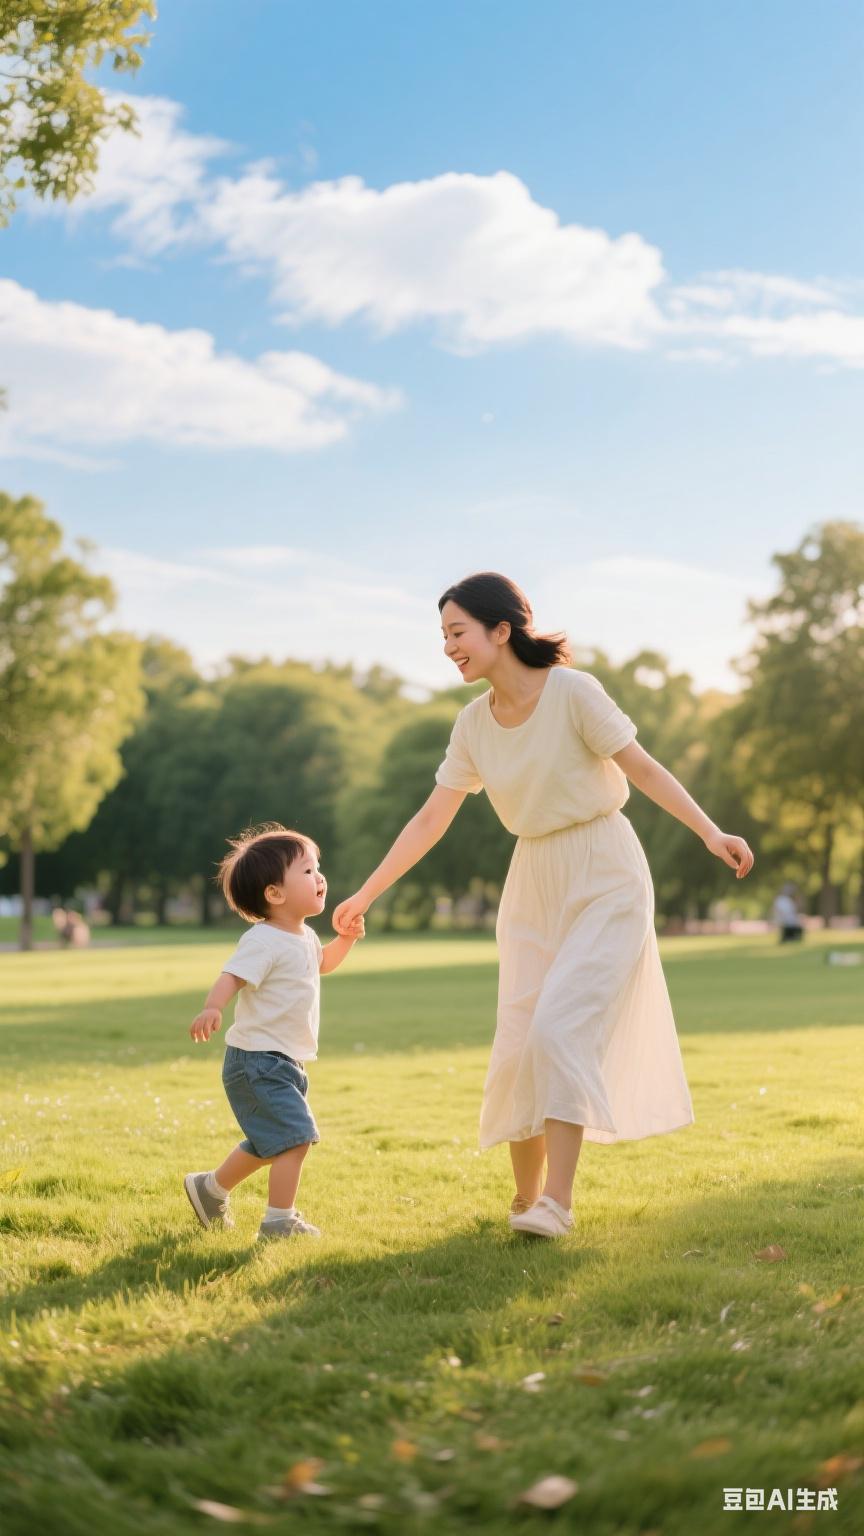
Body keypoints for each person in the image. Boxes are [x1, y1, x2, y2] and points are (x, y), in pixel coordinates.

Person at [333, 573, 754, 1240]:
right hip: (531, 880)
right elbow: (430, 819)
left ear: (502, 630)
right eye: (442, 635)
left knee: (562, 1027)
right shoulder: (473, 725)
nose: (448, 647)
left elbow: (641, 767)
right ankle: (525, 1201)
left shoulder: (573, 693)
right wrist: (365, 893)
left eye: (458, 632)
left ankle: (558, 1202)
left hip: (605, 870)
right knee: (520, 1042)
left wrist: (710, 831)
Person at [184, 824, 364, 1240]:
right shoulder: (263, 940)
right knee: (295, 1139)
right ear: (274, 894)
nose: (319, 877)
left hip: (283, 1061)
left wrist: (346, 939)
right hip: (257, 1061)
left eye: (318, 868)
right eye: (307, 870)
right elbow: (232, 976)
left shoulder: (304, 936)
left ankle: (209, 1189)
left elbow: (323, 964)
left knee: (273, 1140)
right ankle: (279, 1221)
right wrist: (213, 1007)